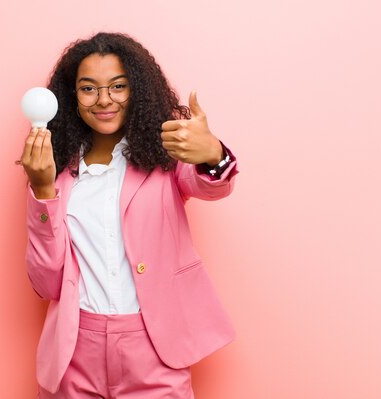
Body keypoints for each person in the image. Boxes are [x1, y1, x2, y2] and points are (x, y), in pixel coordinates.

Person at [19, 32, 238, 399]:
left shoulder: (166, 156)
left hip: (155, 346)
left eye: (118, 86)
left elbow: (215, 186)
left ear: (136, 89)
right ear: (71, 97)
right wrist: (42, 191)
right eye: (89, 89)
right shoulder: (57, 172)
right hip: (75, 351)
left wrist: (212, 153)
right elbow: (47, 283)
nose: (104, 100)